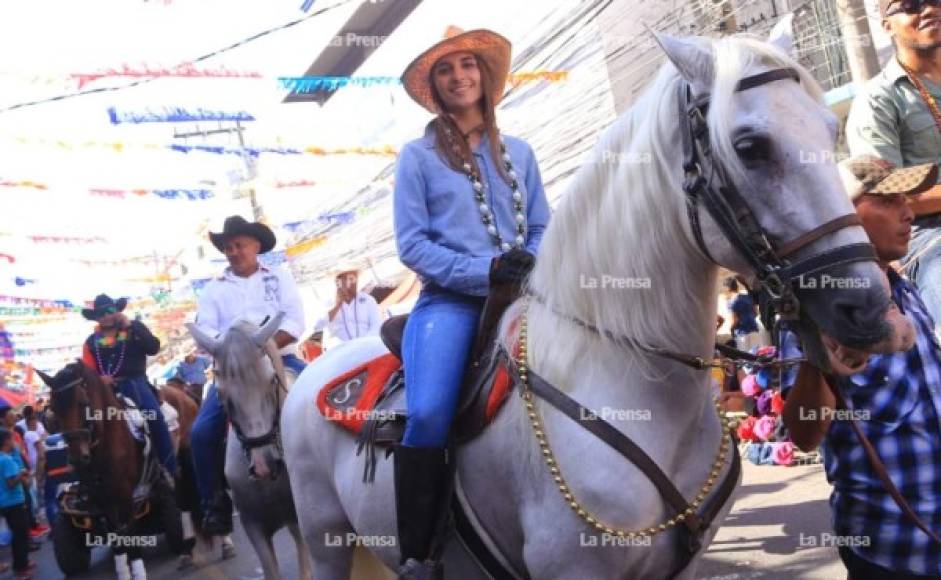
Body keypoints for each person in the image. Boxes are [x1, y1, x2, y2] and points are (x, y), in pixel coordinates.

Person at [392, 27, 551, 577]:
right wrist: (482, 272)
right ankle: (418, 552)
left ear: (484, 76)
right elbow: (412, 244)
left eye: (468, 65)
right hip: (451, 304)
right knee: (431, 412)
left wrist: (527, 260)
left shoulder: (521, 153)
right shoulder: (416, 157)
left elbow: (541, 226)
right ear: (434, 87)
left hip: (528, 294)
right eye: (445, 69)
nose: (460, 75)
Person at [782, 155, 939, 578]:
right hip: (892, 554)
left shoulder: (907, 290)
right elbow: (803, 435)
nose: (908, 212)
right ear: (843, 214)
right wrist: (818, 365)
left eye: (907, 198)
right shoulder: (814, 310)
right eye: (888, 201)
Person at [191, 215, 306, 535]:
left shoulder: (279, 277)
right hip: (233, 370)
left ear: (256, 245)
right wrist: (237, 355)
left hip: (281, 358)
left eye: (239, 244)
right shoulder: (213, 289)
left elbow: (295, 321)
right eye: (228, 247)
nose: (233, 251)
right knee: (200, 433)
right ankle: (214, 503)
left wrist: (262, 349)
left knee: (321, 404)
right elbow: (206, 330)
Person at [846, 0, 941, 329]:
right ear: (886, 25)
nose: (928, 10)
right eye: (911, 5)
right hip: (929, 239)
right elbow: (881, 196)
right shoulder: (876, 100)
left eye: (934, 1)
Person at [79, 294, 176, 486]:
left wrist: (132, 326)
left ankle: (168, 468)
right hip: (105, 392)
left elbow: (153, 348)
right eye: (101, 313)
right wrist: (99, 380)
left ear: (116, 311)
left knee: (154, 418)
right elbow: (87, 372)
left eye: (109, 311)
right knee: (86, 424)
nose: (106, 316)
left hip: (135, 385)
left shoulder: (133, 329)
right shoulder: (91, 342)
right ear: (96, 317)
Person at [0, 429, 34, 579]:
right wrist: (21, 475)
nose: (14, 442)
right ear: (7, 441)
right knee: (21, 535)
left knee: (18, 534)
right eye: (12, 439)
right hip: (14, 502)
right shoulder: (6, 460)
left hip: (6, 503)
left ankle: (21, 563)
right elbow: (10, 483)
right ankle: (21, 568)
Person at [323, 264, 382, 348]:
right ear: (337, 282)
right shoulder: (328, 303)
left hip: (368, 345)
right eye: (345, 279)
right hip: (340, 349)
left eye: (353, 279)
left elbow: (376, 325)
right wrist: (337, 306)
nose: (350, 282)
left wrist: (363, 343)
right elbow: (317, 326)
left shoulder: (368, 300)